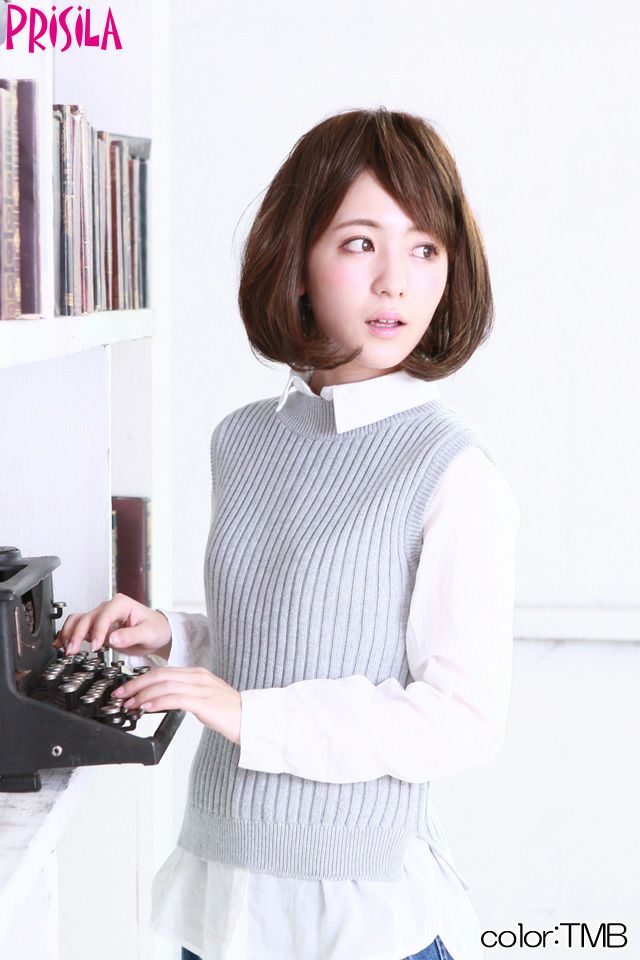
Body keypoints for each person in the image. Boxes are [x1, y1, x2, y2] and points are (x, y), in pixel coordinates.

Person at [59, 107, 521, 960]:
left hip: (357, 916)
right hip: (223, 896)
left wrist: (244, 712)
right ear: (296, 257)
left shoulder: (451, 469)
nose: (395, 282)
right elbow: (298, 638)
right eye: (360, 243)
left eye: (426, 248)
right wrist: (175, 637)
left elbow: (461, 718)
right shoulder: (244, 439)